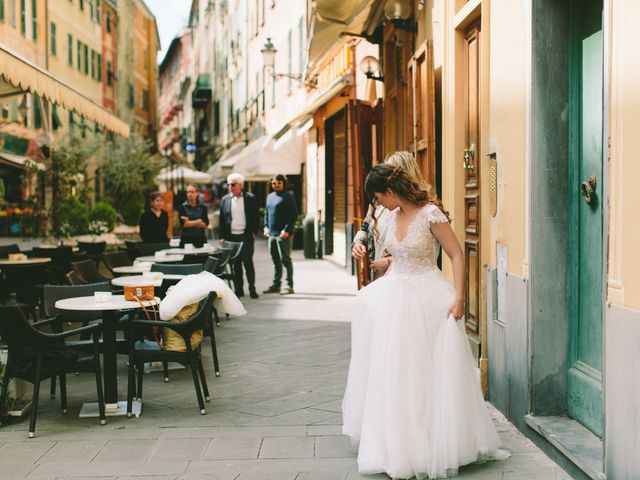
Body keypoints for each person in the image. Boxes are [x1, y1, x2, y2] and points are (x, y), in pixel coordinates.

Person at [342, 163, 508, 479]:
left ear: (390, 191)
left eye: (379, 196)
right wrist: (366, 248)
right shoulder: (389, 215)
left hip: (428, 295)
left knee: (428, 369)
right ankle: (400, 445)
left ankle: (438, 440)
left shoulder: (431, 214)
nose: (378, 203)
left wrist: (460, 297)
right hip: (395, 295)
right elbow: (383, 242)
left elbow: (457, 254)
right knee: (396, 371)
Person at [352, 151, 429, 279]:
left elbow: (424, 251)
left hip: (406, 280)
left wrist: (390, 262)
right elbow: (364, 228)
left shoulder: (422, 209)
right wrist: (357, 243)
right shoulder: (377, 204)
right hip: (378, 279)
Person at [218, 172, 260, 299]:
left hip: (246, 236)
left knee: (248, 263)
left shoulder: (250, 198)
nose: (230, 187)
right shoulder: (225, 200)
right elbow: (221, 219)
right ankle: (239, 290)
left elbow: (256, 217)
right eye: (229, 184)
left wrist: (254, 232)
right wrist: (222, 236)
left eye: (233, 184)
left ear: (241, 185)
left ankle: (252, 289)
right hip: (231, 237)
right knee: (236, 265)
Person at [262, 174, 298, 295]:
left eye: (279, 183)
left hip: (284, 234)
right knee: (275, 260)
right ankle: (276, 285)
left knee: (285, 260)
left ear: (283, 184)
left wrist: (287, 229)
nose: (276, 185)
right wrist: (266, 227)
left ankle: (289, 285)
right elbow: (267, 213)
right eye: (274, 183)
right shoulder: (270, 196)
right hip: (271, 234)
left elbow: (293, 214)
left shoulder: (288, 196)